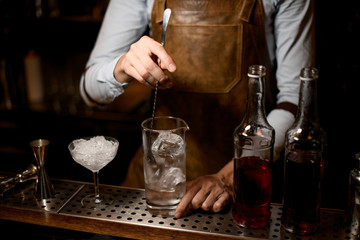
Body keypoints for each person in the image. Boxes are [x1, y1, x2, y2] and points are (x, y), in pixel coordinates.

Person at [80, 0, 315, 218]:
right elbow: (89, 92)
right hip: (154, 189)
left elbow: (295, 101)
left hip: (243, 186)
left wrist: (229, 177)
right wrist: (120, 67)